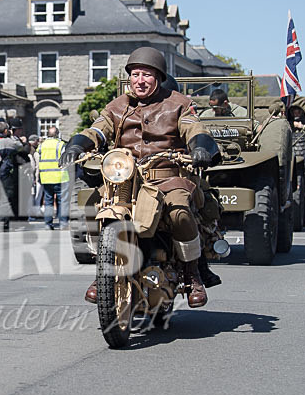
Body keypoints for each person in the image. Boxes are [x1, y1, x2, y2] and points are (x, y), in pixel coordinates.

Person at [60, 47, 221, 308]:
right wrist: (78, 143)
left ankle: (192, 274)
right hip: (126, 178)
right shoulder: (118, 106)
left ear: (158, 77)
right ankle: (103, 273)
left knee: (179, 211)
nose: (140, 80)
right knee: (93, 205)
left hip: (168, 176)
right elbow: (99, 129)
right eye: (135, 74)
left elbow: (194, 128)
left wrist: (200, 146)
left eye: (146, 74)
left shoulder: (178, 104)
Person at [0, 117, 29, 231]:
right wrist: (24, 143)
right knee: (9, 198)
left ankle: (0, 223)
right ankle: (7, 223)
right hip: (8, 172)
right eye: (19, 129)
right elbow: (23, 150)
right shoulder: (10, 141)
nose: (21, 131)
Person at [38, 127, 70, 230]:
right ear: (57, 134)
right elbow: (66, 159)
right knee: (62, 201)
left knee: (48, 201)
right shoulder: (60, 145)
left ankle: (48, 224)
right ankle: (63, 223)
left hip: (46, 177)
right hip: (60, 177)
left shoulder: (41, 145)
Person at [27, 134, 43, 220]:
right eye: (37, 141)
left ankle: (32, 213)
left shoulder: (29, 149)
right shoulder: (33, 151)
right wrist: (36, 178)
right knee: (33, 196)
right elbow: (35, 166)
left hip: (30, 176)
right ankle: (32, 214)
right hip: (32, 176)